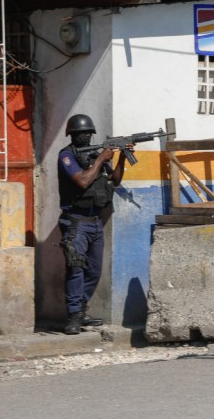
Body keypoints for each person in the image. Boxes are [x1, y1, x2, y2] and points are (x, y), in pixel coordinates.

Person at [57, 114, 133, 335]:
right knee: (76, 269)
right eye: (82, 133)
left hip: (94, 221)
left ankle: (81, 310)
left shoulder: (95, 154)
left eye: (89, 133)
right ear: (73, 135)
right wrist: (101, 158)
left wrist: (121, 157)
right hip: (76, 222)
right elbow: (82, 181)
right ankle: (72, 317)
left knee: (94, 271)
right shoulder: (67, 156)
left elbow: (115, 180)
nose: (87, 136)